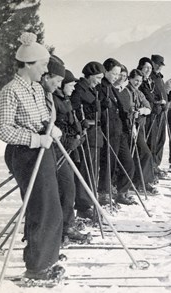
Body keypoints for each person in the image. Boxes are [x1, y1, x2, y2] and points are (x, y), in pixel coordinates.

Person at [0, 32, 64, 280]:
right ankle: (37, 267)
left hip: (42, 149)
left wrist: (49, 126)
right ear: (28, 63)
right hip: (24, 153)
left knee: (52, 207)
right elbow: (3, 129)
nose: (46, 71)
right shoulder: (11, 90)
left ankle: (48, 258)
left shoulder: (36, 88)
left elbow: (39, 118)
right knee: (40, 208)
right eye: (43, 65)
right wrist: (35, 138)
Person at [51, 68, 91, 244]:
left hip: (67, 148)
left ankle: (67, 224)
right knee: (66, 189)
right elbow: (58, 127)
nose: (73, 88)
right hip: (58, 150)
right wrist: (70, 140)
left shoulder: (64, 99)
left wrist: (79, 130)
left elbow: (70, 123)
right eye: (71, 84)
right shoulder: (55, 100)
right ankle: (65, 227)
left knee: (69, 188)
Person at [97, 58, 136, 206]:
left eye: (118, 74)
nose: (117, 76)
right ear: (105, 71)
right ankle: (104, 193)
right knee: (108, 163)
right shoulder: (101, 87)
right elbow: (96, 108)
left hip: (119, 131)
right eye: (114, 73)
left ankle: (122, 191)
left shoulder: (112, 87)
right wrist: (102, 104)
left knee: (128, 162)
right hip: (108, 130)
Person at [70, 61, 106, 220]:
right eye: (98, 78)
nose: (99, 81)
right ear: (90, 75)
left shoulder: (93, 89)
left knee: (92, 171)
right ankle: (83, 207)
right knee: (86, 170)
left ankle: (89, 202)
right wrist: (80, 123)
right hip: (87, 134)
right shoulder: (79, 89)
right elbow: (74, 110)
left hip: (96, 134)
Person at [126, 68, 158, 194]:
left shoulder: (139, 93)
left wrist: (143, 110)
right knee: (145, 153)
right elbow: (128, 107)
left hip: (140, 127)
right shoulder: (127, 91)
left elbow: (148, 107)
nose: (137, 83)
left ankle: (140, 181)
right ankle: (143, 182)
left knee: (140, 153)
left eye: (140, 81)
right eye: (135, 80)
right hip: (131, 127)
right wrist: (136, 111)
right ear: (130, 79)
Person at [150, 54, 168, 177]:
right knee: (153, 140)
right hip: (154, 112)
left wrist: (168, 97)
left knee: (161, 138)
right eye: (157, 64)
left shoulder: (159, 77)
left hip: (162, 111)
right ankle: (151, 166)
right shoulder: (149, 76)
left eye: (161, 65)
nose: (159, 67)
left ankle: (156, 164)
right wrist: (156, 103)